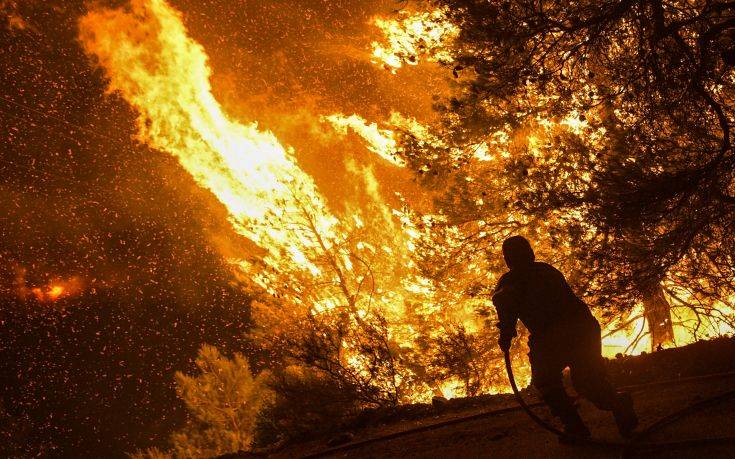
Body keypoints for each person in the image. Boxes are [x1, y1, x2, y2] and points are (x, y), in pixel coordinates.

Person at [492, 235, 638, 438]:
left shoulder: (510, 283)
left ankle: (577, 425)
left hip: (559, 335)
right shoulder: (546, 271)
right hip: (581, 329)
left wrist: (506, 336)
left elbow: (507, 306)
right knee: (586, 382)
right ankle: (616, 405)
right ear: (531, 254)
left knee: (547, 381)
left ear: (507, 260)